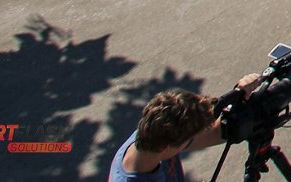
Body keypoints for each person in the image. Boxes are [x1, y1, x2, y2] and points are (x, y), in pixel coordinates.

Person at [109, 76, 261, 180]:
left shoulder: (151, 134)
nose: (192, 140)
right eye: (189, 139)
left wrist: (240, 96)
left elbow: (216, 132)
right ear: (165, 146)